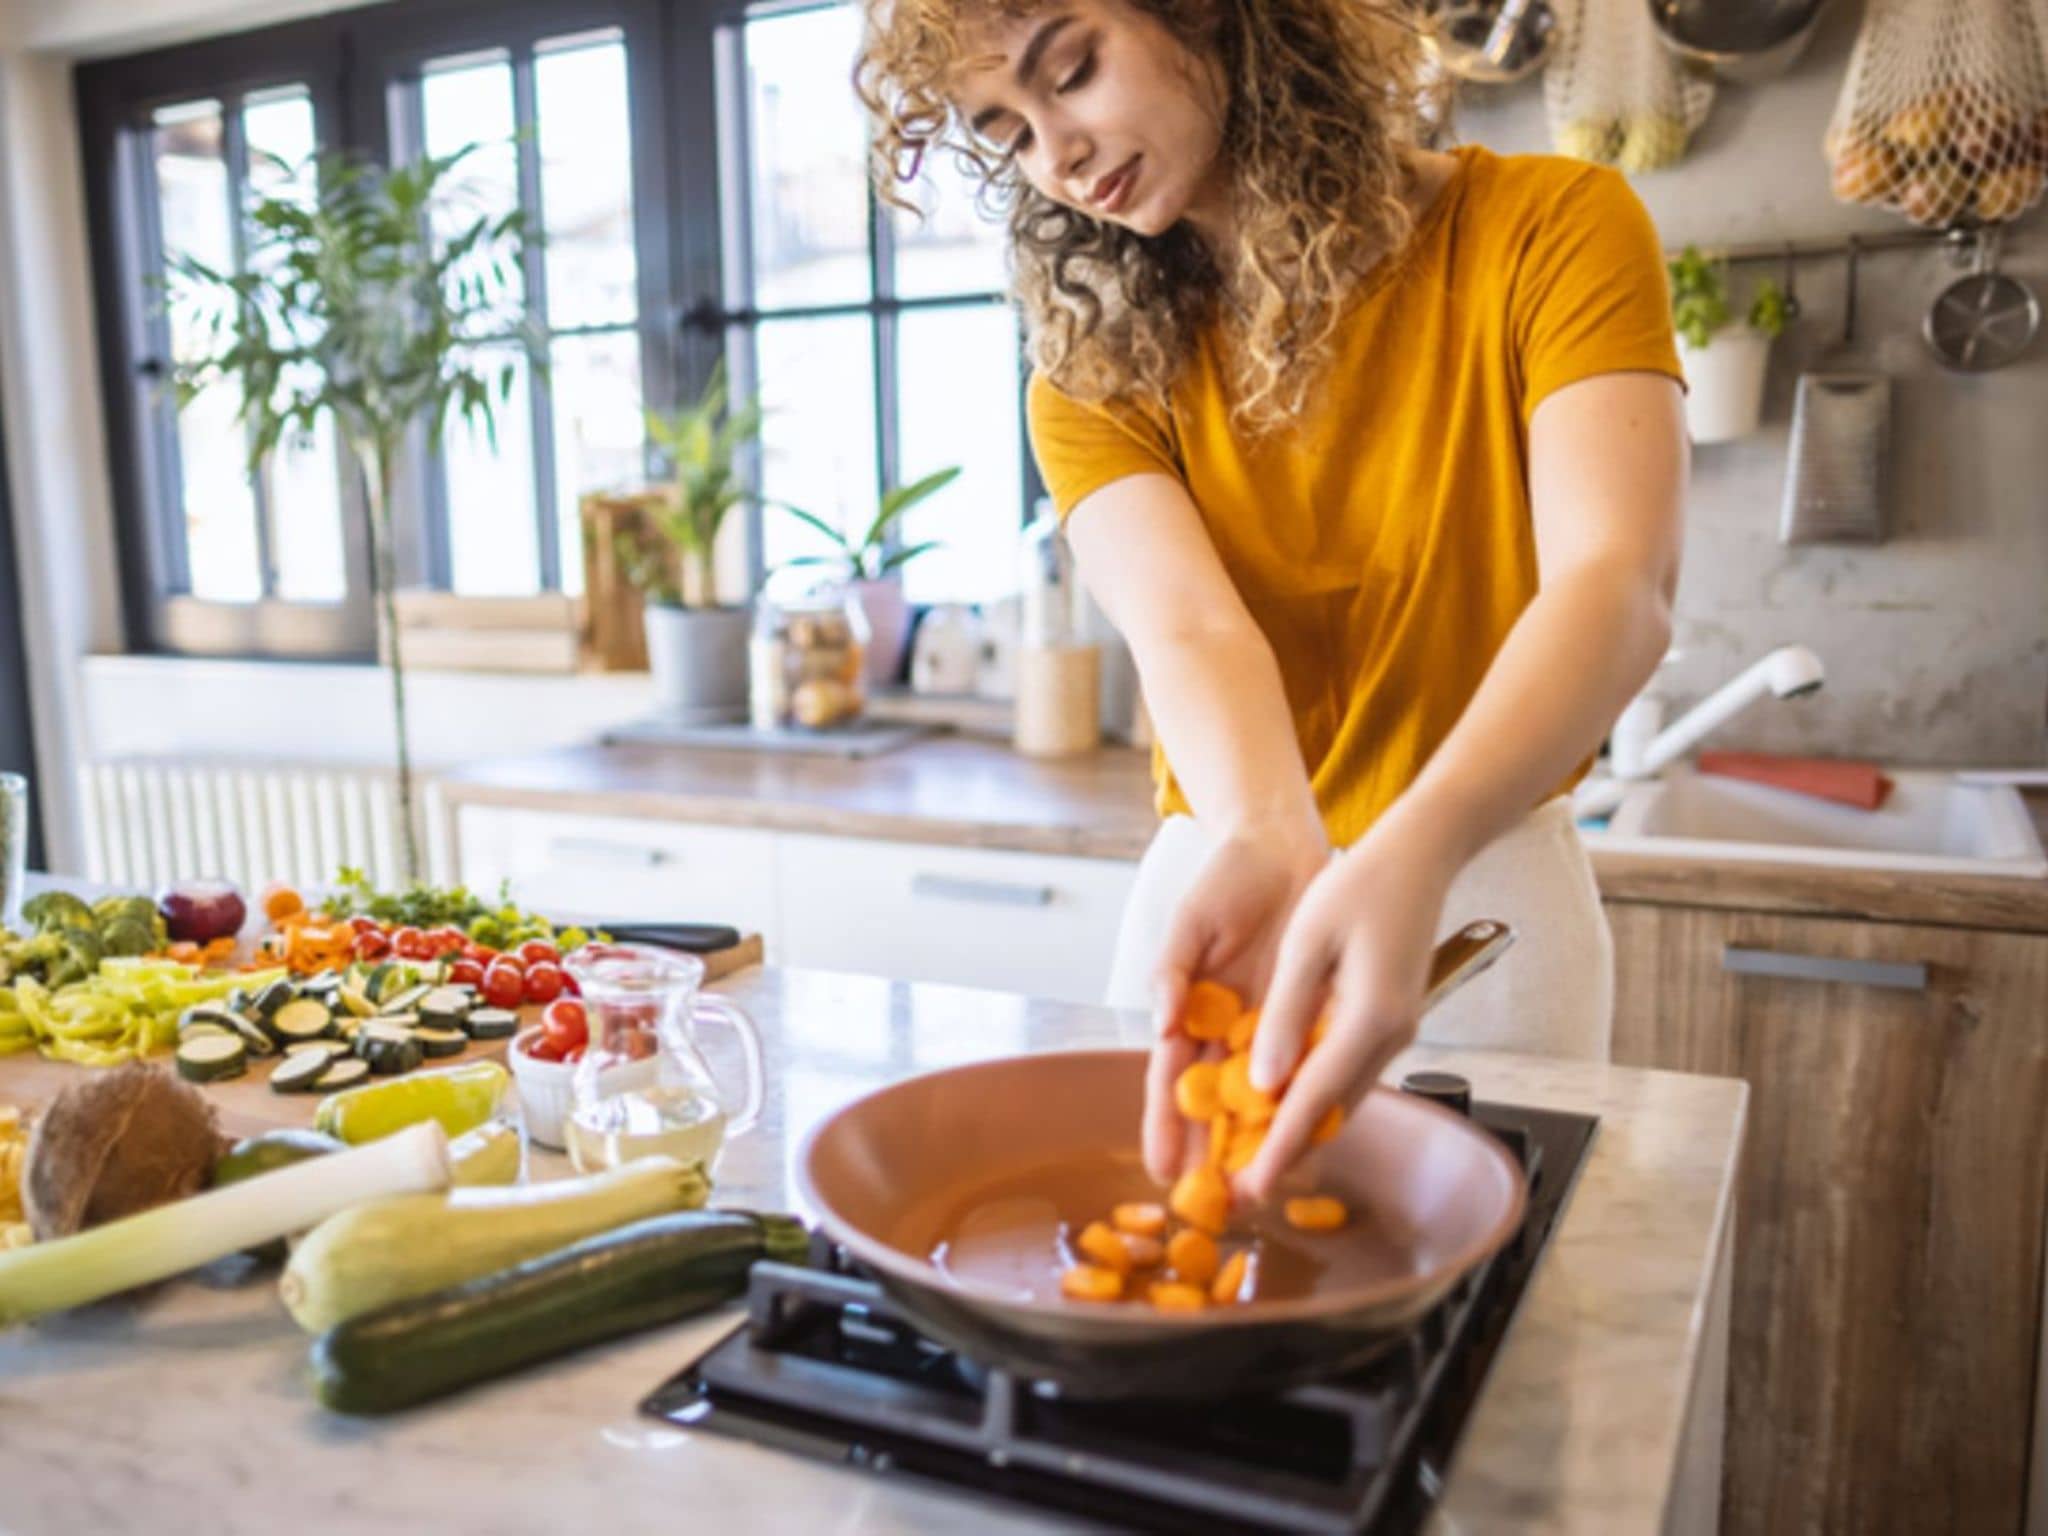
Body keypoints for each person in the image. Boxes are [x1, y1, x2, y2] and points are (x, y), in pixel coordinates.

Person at [856, 0, 1686, 1204]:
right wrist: (1265, 833)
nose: (1058, 153)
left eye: (1072, 71)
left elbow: (1614, 584)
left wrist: (1416, 846)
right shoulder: (1089, 370)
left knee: (1498, 1322)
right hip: (1229, 886)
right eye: (1009, 132)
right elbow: (1189, 631)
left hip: (1486, 880)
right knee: (1180, 1257)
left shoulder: (1550, 228)